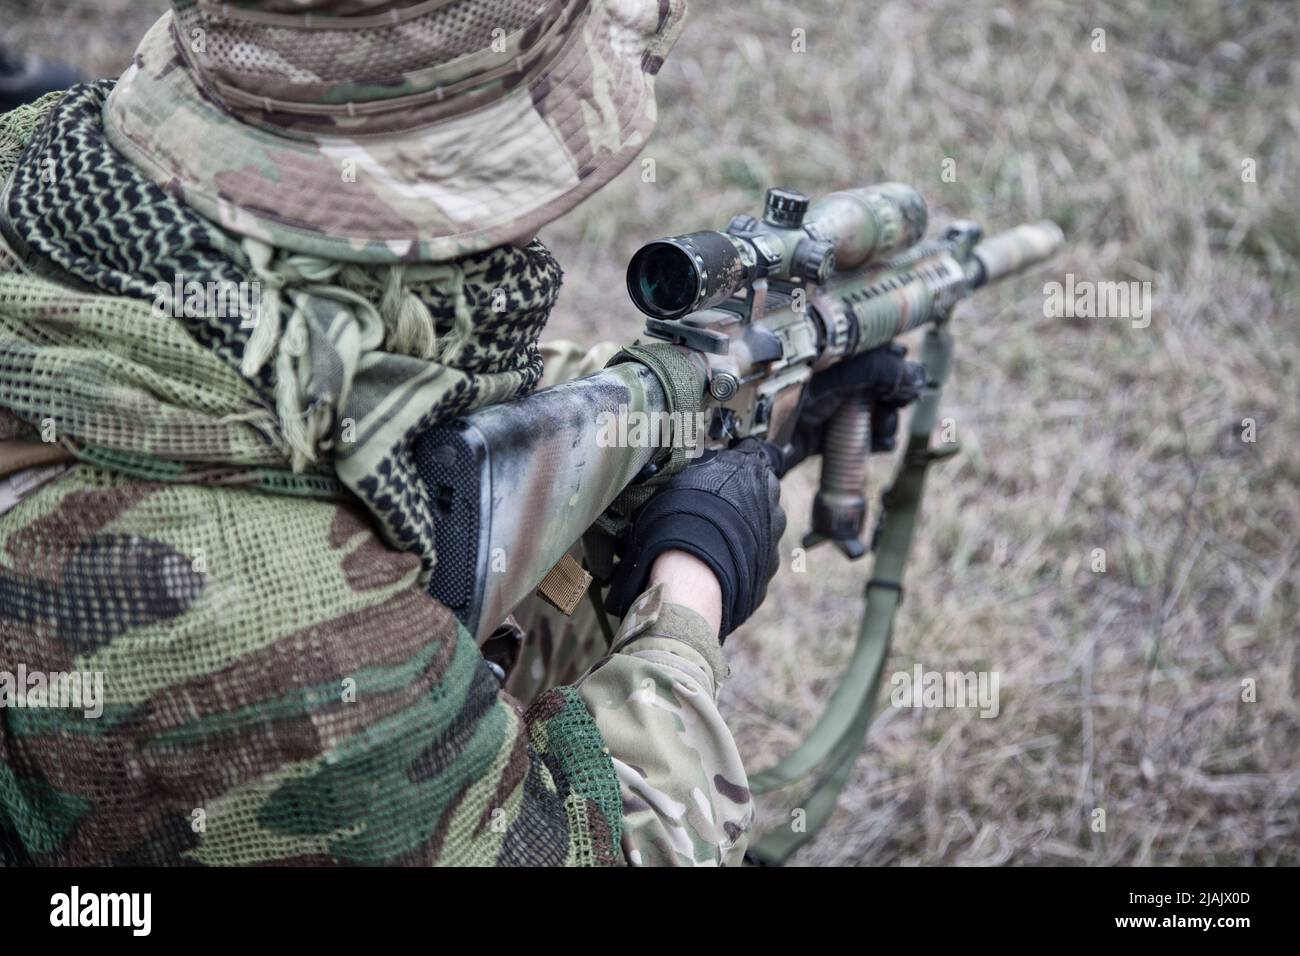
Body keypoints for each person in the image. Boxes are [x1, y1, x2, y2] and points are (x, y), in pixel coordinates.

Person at [0, 0, 920, 866]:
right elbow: (608, 846)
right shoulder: (301, 640)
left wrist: (691, 401)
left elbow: (374, 373)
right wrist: (691, 591)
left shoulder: (61, 198)